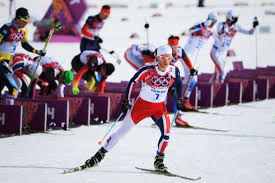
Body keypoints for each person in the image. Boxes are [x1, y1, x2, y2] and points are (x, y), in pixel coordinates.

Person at [80, 45, 185, 172]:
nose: (165, 61)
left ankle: (159, 162)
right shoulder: (147, 70)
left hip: (159, 108)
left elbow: (179, 83)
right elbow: (132, 82)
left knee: (167, 135)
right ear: (157, 57)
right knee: (122, 132)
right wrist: (126, 101)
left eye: (168, 58)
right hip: (141, 107)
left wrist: (179, 98)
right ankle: (97, 157)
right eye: (162, 57)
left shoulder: (174, 70)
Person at [0, 7, 46, 104]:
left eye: (27, 21)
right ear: (18, 19)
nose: (26, 23)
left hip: (8, 62)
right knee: (13, 88)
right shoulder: (6, 29)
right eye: (24, 21)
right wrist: (1, 60)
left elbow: (24, 44)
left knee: (9, 85)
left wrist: (37, 51)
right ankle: (10, 112)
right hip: (2, 62)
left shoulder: (23, 29)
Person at [175, 11, 217, 111]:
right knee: (193, 79)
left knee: (187, 79)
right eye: (212, 20)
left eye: (215, 21)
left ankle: (177, 95)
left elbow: (219, 39)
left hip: (194, 57)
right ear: (208, 19)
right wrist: (203, 25)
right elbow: (190, 30)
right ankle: (185, 101)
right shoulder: (200, 25)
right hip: (186, 55)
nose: (213, 23)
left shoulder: (211, 31)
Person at [209, 10, 258, 84]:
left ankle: (210, 88)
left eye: (229, 20)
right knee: (223, 71)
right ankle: (219, 87)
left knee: (217, 72)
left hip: (223, 54)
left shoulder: (236, 27)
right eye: (227, 19)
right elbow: (219, 33)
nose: (227, 21)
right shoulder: (221, 25)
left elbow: (250, 32)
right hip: (215, 52)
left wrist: (254, 27)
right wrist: (223, 32)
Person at [167, 35, 197, 126]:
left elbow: (186, 60)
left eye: (175, 47)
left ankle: (178, 118)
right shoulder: (164, 51)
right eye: (171, 47)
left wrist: (191, 69)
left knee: (177, 95)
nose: (173, 49)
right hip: (161, 74)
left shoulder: (180, 50)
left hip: (170, 72)